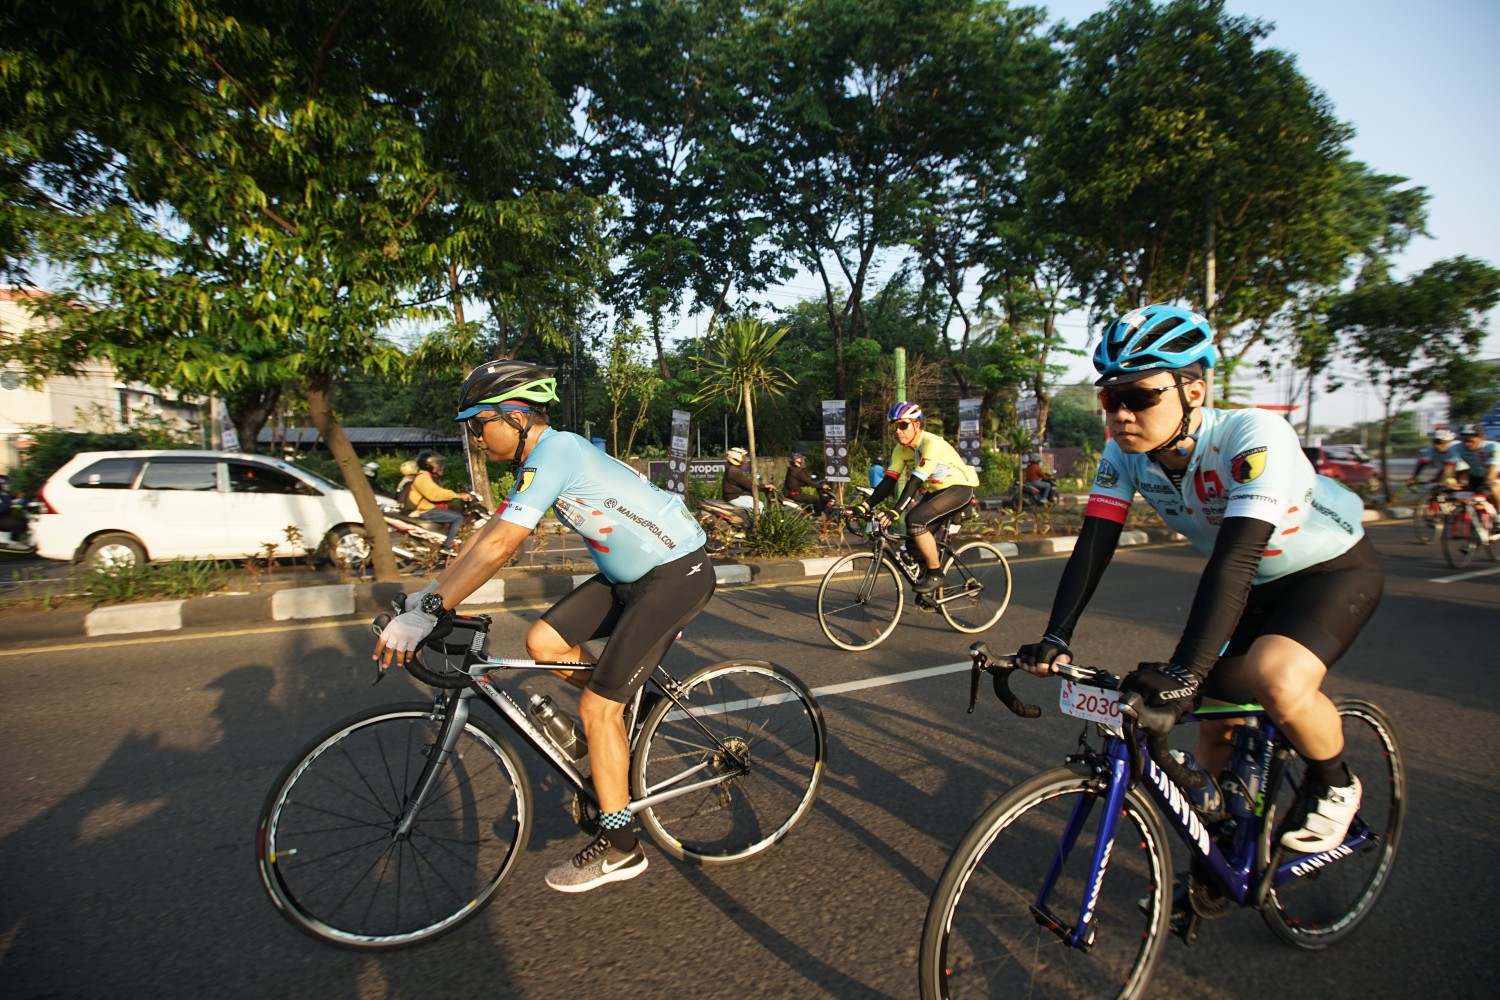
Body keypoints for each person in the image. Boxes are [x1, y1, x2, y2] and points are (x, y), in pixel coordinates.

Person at [1014, 303, 1380, 862]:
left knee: (1275, 678)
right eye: (1110, 399)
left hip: (1329, 571)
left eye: (1140, 396)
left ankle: (1335, 782)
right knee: (1216, 722)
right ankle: (1218, 858)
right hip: (1252, 586)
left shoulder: (1253, 435)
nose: (1121, 414)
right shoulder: (1125, 455)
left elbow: (1235, 558)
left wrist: (1186, 670)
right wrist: (1055, 636)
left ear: (1194, 392)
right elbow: (1093, 547)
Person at [374, 360, 713, 893]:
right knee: (544, 642)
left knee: (597, 709)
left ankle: (622, 846)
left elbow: (503, 546)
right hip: (629, 578)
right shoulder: (539, 459)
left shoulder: (557, 451)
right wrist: (430, 594)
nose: (475, 437)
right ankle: (624, 703)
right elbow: (491, 532)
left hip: (675, 575)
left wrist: (431, 610)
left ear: (514, 416)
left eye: (478, 423)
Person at [856, 402, 979, 596]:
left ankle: (936, 576)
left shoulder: (931, 443)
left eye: (903, 425)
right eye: (894, 426)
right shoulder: (900, 450)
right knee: (913, 542)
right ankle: (937, 592)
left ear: (916, 425)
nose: (898, 431)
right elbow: (888, 481)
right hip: (936, 492)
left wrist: (895, 511)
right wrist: (863, 506)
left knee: (914, 520)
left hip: (958, 488)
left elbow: (914, 482)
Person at [409, 451, 474, 552]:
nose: (440, 466)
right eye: (437, 463)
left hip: (428, 509)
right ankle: (447, 546)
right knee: (458, 518)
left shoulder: (426, 477)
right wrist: (457, 495)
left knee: (456, 508)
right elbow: (435, 494)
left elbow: (438, 491)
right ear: (429, 465)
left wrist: (457, 495)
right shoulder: (422, 478)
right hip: (426, 510)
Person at [1447, 423, 1500, 513]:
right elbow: (1449, 467)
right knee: (1460, 494)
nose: (1467, 444)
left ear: (1482, 438)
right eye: (1464, 441)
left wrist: (1486, 484)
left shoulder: (1492, 447)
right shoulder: (1457, 448)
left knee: (1492, 487)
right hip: (1476, 476)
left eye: (1470, 441)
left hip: (1495, 475)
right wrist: (1447, 481)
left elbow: (1492, 468)